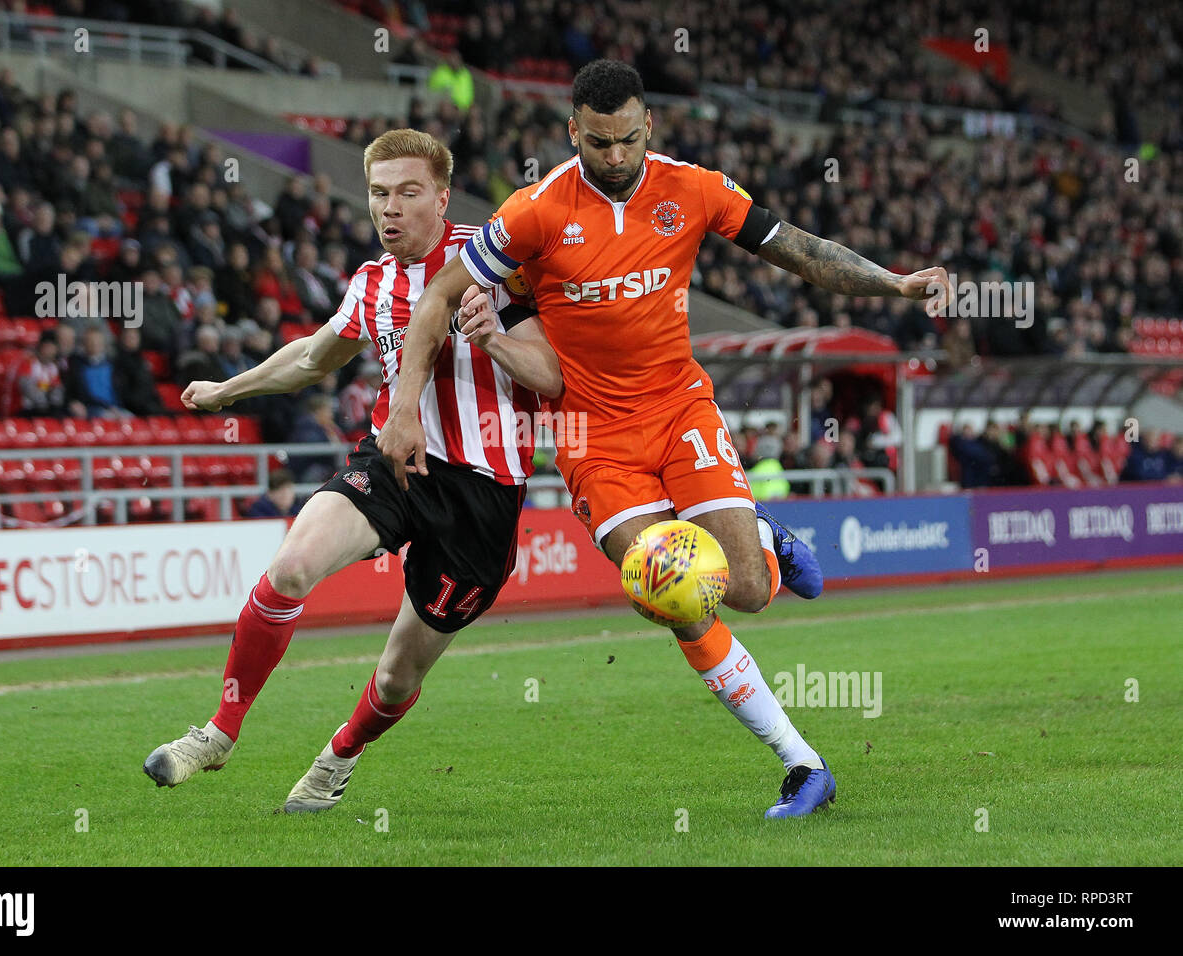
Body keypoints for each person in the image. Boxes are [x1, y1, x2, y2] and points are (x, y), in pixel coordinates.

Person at [380, 59, 952, 818]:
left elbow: (797, 249)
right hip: (593, 437)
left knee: (745, 591)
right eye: (598, 144)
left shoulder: (694, 188)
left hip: (682, 411)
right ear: (572, 133)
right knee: (673, 593)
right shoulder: (534, 214)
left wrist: (892, 284)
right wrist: (403, 408)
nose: (615, 159)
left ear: (649, 125)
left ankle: (765, 539)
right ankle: (802, 763)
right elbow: (437, 298)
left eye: (626, 141)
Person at [142, 129, 561, 815]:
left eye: (407, 193)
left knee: (397, 677)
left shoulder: (497, 268)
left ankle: (340, 754)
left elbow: (555, 377)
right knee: (290, 568)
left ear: (443, 197)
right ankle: (218, 732)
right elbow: (312, 358)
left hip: (482, 497)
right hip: (395, 462)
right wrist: (227, 390)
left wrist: (496, 341)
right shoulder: (372, 283)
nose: (388, 209)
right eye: (377, 194)